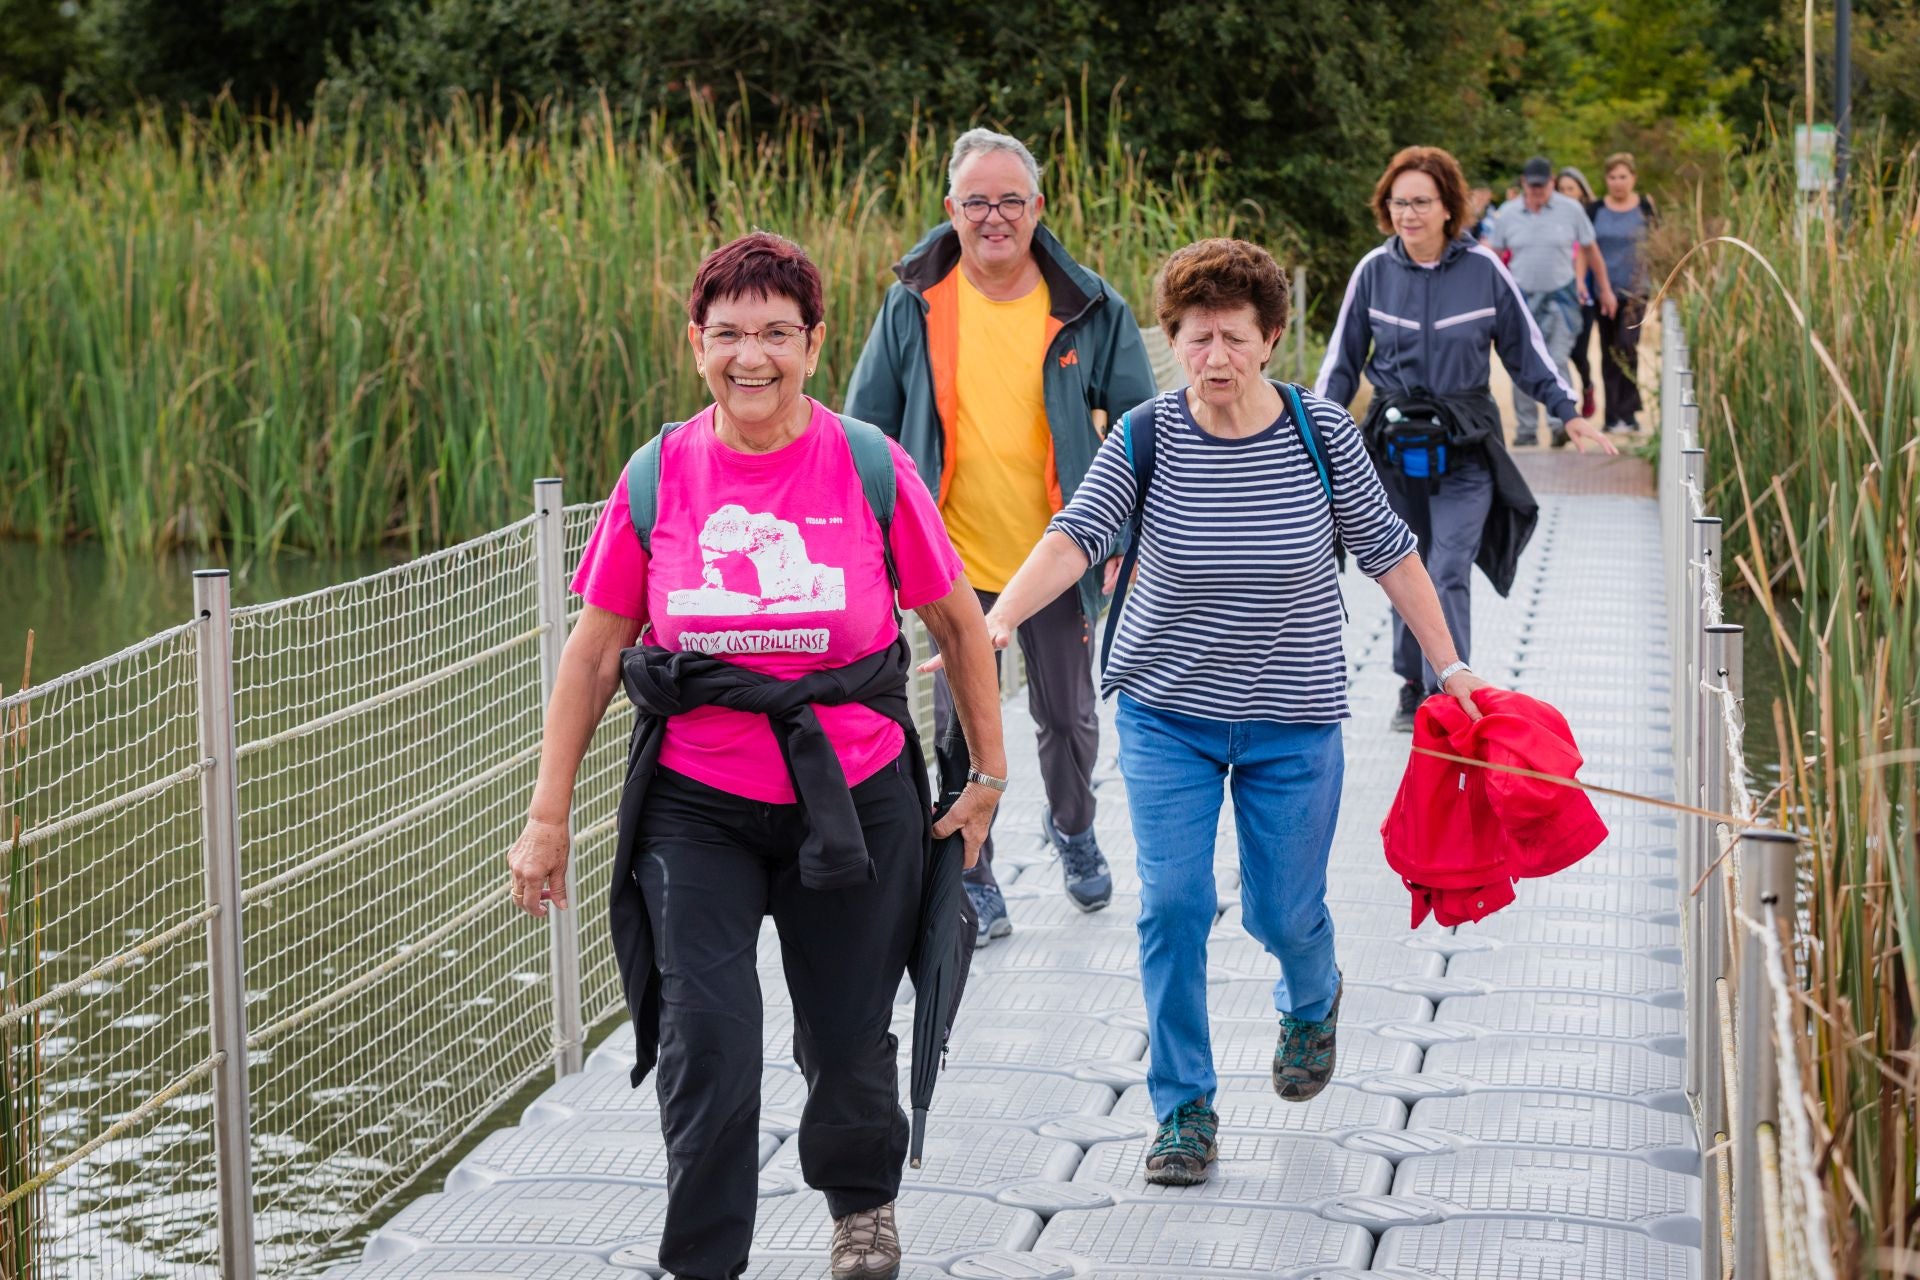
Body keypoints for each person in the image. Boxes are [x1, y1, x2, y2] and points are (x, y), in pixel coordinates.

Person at [939, 237, 1495, 1188]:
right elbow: (1076, 537)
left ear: (1271, 338)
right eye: (1198, 340)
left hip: (1294, 719)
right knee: (1175, 907)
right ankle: (1184, 1109)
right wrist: (997, 619)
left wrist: (1451, 670)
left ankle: (1311, 998)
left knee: (1285, 913)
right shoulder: (1148, 436)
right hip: (1168, 717)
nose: (1217, 359)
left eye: (1235, 338)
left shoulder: (1321, 434)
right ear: (1176, 342)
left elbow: (1395, 556)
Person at [505, 232, 1007, 1280]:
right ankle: (702, 1261)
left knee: (846, 1031)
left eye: (777, 332)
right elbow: (596, 652)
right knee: (710, 1040)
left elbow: (961, 627)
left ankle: (862, 1206)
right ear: (697, 344)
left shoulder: (872, 465)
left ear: (814, 344)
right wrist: (547, 815)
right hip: (698, 802)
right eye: (729, 333)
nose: (752, 355)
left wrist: (987, 781)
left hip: (857, 794)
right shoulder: (658, 475)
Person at [847, 128, 1158, 946]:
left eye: (1009, 200)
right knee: (954, 728)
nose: (993, 217)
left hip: (1058, 556)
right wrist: (868, 539)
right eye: (976, 201)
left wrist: (1124, 532)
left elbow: (1140, 424)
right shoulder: (914, 302)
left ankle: (1073, 825)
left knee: (1068, 718)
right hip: (948, 562)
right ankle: (972, 877)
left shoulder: (1088, 302)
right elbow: (866, 423)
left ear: (1037, 208)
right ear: (951, 210)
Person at [1315, 145, 1617, 734]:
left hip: (1465, 448)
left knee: (1447, 566)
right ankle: (1411, 682)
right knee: (1404, 567)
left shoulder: (1484, 270)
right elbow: (1340, 366)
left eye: (1421, 202)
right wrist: (1317, 434)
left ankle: (1445, 694)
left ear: (1448, 207)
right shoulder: (1372, 272)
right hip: (1394, 450)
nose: (1409, 214)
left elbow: (1528, 351)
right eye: (1399, 203)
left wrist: (1568, 413)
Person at [1488, 156, 1616, 447]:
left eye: (1542, 186)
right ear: (1523, 184)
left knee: (1556, 359)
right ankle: (1526, 429)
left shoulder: (1570, 210)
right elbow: (1494, 259)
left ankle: (1560, 423)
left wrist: (1605, 288)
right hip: (1520, 298)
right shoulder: (1508, 214)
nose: (1537, 191)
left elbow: (1591, 250)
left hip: (1561, 297)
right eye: (1532, 186)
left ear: (1551, 183)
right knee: (1521, 362)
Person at [1591, 152, 1659, 431]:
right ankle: (1611, 415)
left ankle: (1629, 412)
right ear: (1606, 179)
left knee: (1627, 346)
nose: (1618, 183)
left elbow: (1658, 244)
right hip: (1604, 290)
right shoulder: (1595, 210)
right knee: (1608, 351)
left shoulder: (1644, 208)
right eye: (1612, 177)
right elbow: (1586, 247)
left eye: (1623, 177)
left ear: (1633, 178)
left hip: (1635, 290)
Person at [1556, 166, 1600, 421]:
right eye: (1561, 189)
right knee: (1560, 352)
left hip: (1584, 294)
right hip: (1557, 296)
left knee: (1579, 352)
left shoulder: (1589, 218)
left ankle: (1587, 386)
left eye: (1570, 189)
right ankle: (1567, 406)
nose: (1565, 194)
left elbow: (1592, 254)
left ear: (1581, 192)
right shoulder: (1550, 220)